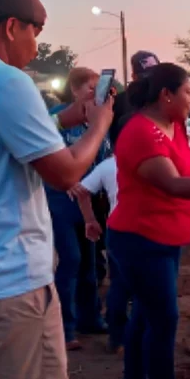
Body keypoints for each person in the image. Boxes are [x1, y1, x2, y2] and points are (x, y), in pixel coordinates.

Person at [0, 0, 113, 379]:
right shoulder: (5, 81)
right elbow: (64, 173)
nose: (37, 45)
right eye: (36, 32)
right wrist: (99, 122)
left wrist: (65, 120)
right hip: (8, 283)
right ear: (12, 27)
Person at [106, 62, 190, 379]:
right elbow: (174, 184)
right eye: (188, 92)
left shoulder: (179, 126)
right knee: (164, 322)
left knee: (146, 316)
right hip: (140, 239)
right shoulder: (140, 131)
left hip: (166, 237)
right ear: (166, 95)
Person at [48, 66, 111, 351]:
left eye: (97, 88)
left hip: (89, 199)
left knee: (90, 261)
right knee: (70, 260)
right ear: (74, 90)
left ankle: (91, 319)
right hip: (62, 198)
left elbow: (103, 159)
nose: (93, 94)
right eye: (88, 88)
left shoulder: (97, 121)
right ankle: (64, 327)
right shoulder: (60, 118)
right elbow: (58, 161)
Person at [68, 126, 126, 354]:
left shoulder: (108, 165)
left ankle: (118, 337)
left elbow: (79, 189)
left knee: (119, 284)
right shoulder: (154, 163)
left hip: (116, 230)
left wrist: (90, 219)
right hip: (141, 232)